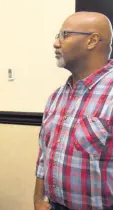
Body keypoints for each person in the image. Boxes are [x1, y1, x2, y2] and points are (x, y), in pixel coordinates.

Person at [34, 12, 113, 210]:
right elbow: (43, 155)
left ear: (92, 41)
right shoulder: (56, 97)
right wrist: (38, 199)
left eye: (65, 35)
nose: (56, 43)